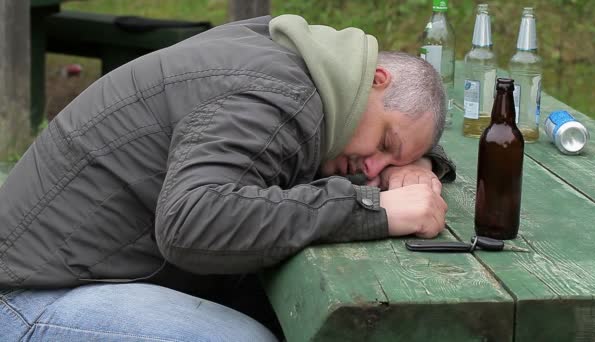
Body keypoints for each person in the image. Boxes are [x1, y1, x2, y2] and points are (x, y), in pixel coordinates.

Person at [0, 14, 454, 341]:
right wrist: (374, 209)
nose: (373, 168)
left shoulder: (294, 56)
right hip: (30, 296)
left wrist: (417, 163)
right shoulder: (280, 96)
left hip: (80, 271)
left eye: (388, 161)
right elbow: (192, 224)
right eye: (385, 144)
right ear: (376, 79)